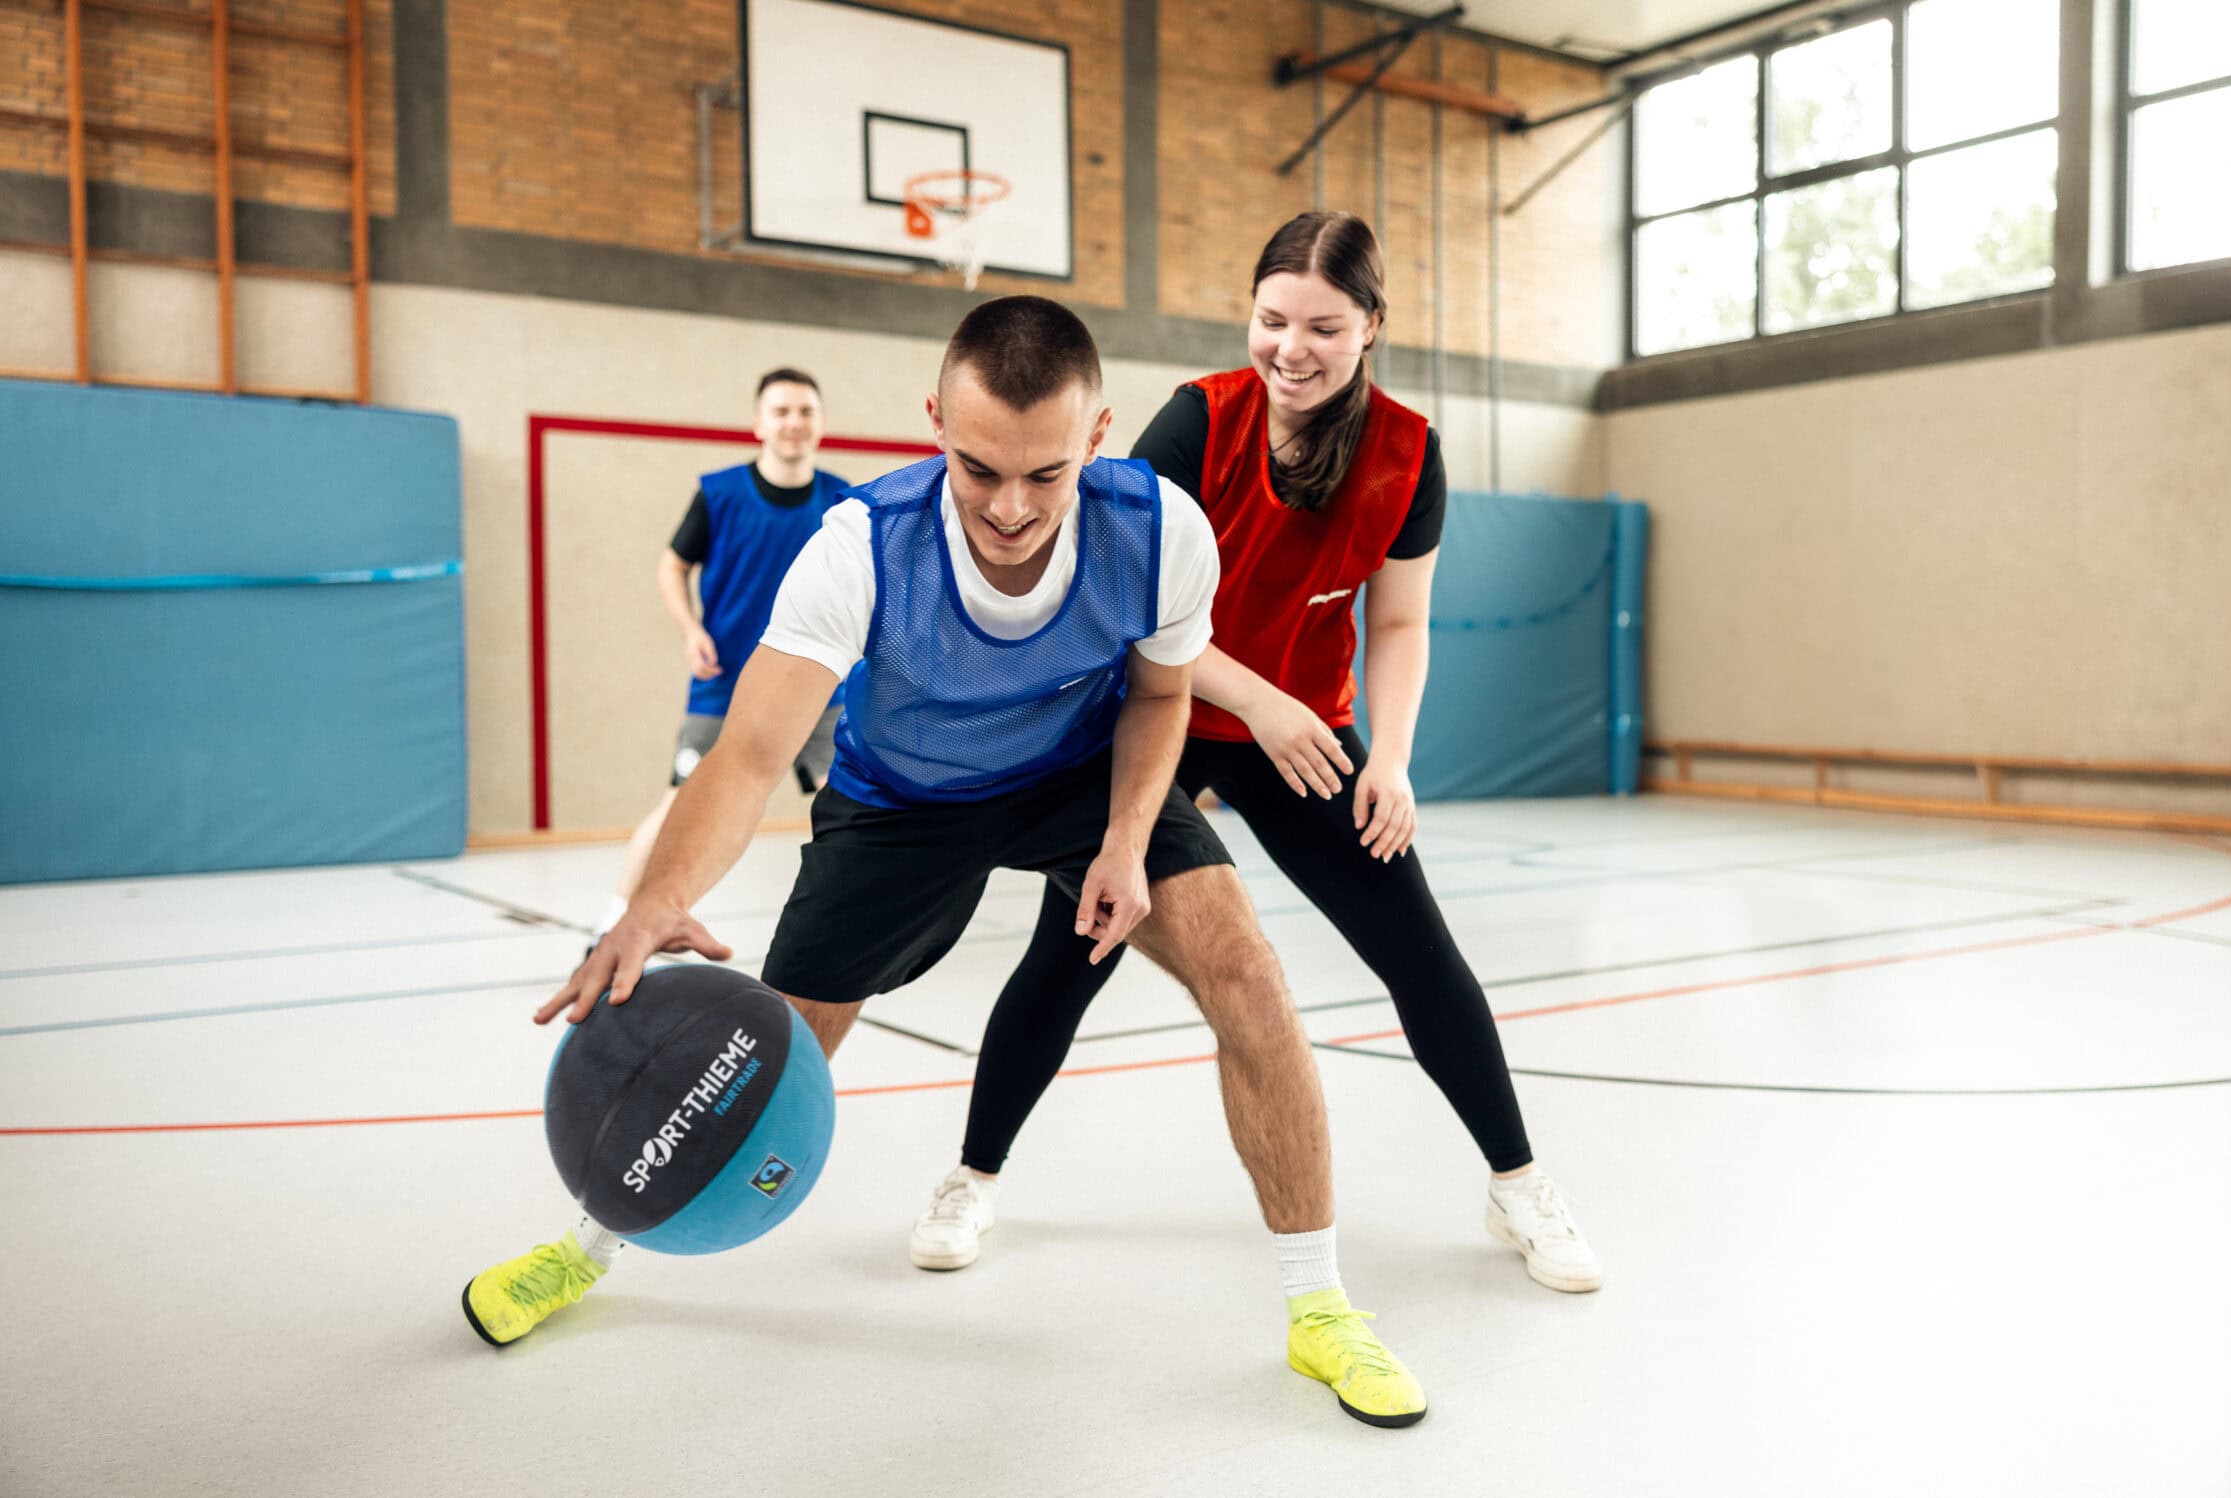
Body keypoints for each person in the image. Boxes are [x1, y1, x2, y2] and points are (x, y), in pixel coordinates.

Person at [461, 296, 1428, 1428]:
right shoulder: (860, 546)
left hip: (1078, 774)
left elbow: (1163, 692)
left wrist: (1123, 841)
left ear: (1099, 434)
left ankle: (1319, 1309)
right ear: (932, 422)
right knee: (768, 1041)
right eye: (978, 470)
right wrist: (652, 900)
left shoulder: (1160, 529)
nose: (1011, 508)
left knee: (1249, 975)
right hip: (904, 801)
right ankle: (586, 1246)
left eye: (1046, 475)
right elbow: (748, 755)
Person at [909, 213, 1601, 1295]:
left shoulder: (1409, 453)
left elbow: (1404, 623)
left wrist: (1392, 759)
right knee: (1071, 951)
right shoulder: (1195, 423)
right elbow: (1125, 606)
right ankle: (972, 1174)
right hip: (1161, 718)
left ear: (1370, 326)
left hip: (1307, 732)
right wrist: (1267, 704)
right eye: (1270, 319)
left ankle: (1517, 1181)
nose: (1290, 347)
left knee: (1420, 953)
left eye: (1322, 325)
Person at [603, 368, 853, 931]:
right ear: (759, 424)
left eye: (805, 412)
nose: (794, 423)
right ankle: (614, 924)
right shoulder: (719, 495)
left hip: (819, 685)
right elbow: (673, 565)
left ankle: (847, 925)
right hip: (726, 684)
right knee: (678, 805)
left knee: (845, 810)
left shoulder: (842, 500)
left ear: (820, 424)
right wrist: (691, 628)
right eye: (782, 411)